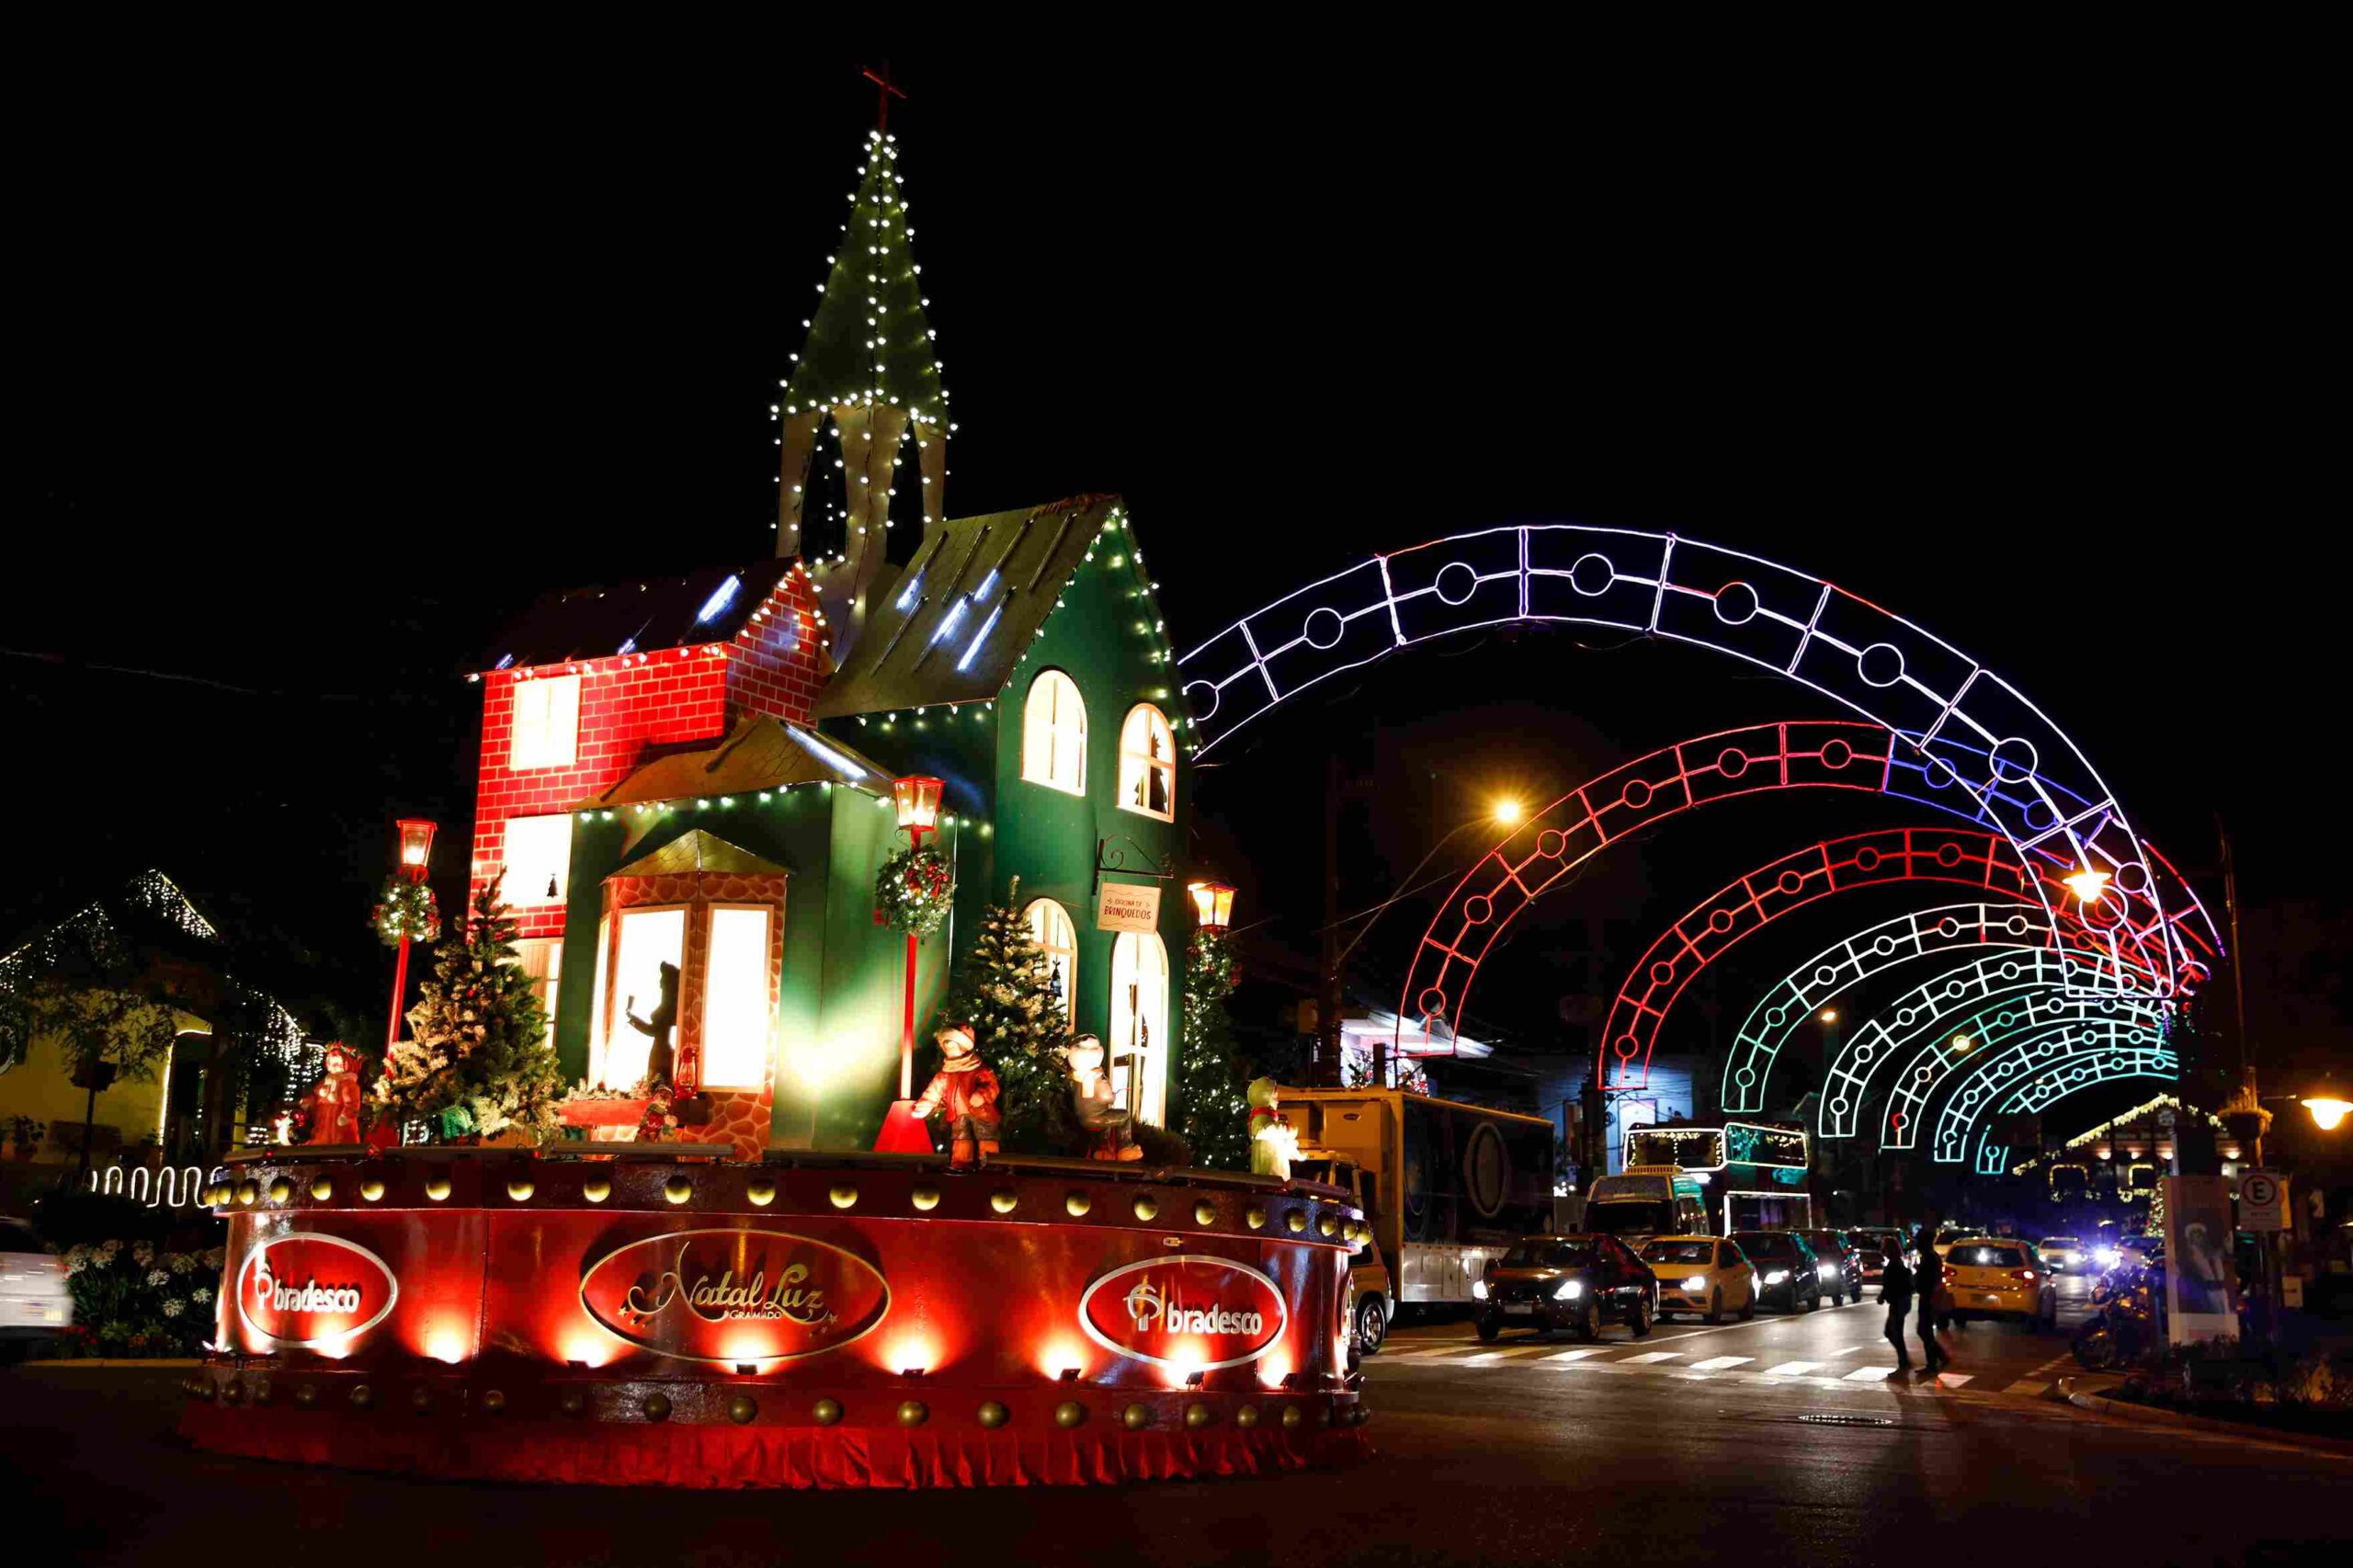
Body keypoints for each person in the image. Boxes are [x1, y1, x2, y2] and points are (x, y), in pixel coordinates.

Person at [1911, 1224, 1947, 1374]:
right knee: (1925, 1330)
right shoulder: (1930, 1256)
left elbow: (1929, 1279)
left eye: (1918, 1241)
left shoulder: (1930, 1257)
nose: (1916, 1244)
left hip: (1929, 1298)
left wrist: (1917, 1276)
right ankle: (1936, 1359)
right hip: (1928, 1297)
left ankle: (1936, 1360)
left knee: (1924, 1330)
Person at [1879, 1233, 1915, 1371]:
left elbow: (1891, 1285)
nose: (1883, 1251)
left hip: (1899, 1302)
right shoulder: (1896, 1263)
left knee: (1891, 1331)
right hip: (1901, 1301)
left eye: (1885, 1248)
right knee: (1895, 1331)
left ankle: (1904, 1360)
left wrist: (1883, 1295)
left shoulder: (1894, 1265)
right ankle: (1903, 1360)